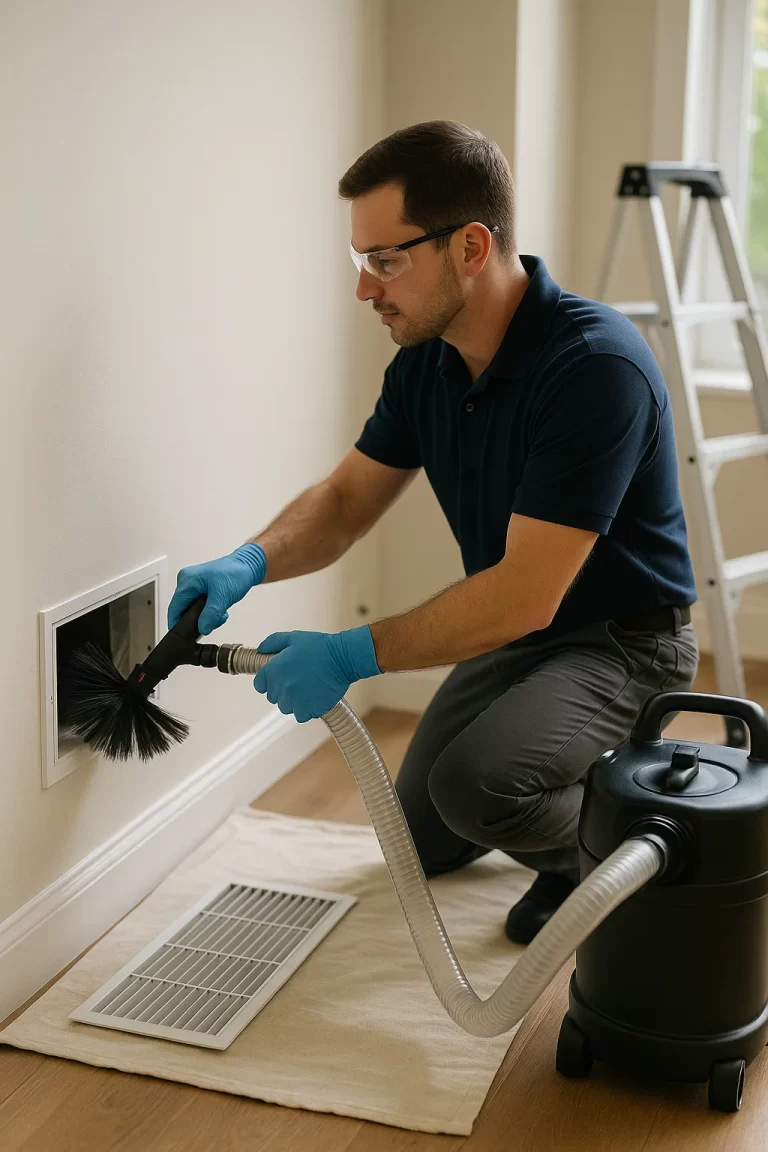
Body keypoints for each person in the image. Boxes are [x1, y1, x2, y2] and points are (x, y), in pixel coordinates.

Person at [168, 120, 700, 943]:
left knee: (480, 790)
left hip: (623, 642)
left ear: (471, 247)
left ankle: (650, 836)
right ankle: (577, 837)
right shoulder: (429, 359)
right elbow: (346, 502)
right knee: (419, 836)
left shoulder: (596, 367)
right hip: (522, 635)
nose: (365, 290)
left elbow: (525, 592)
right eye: (361, 261)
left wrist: (351, 654)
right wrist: (250, 560)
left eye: (386, 261)